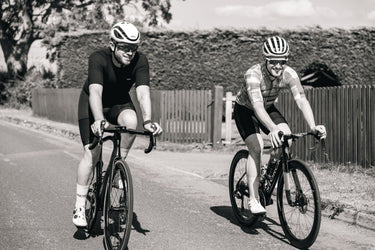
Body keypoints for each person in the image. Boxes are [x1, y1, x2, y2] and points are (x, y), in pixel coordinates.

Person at [73, 21, 162, 227]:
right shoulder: (98, 58)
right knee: (92, 154)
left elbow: (142, 92)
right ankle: (79, 205)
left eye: (133, 48)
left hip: (119, 103)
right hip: (92, 105)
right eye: (124, 47)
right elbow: (95, 91)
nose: (129, 52)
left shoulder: (140, 61)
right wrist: (98, 121)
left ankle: (117, 166)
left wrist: (148, 120)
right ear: (112, 45)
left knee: (132, 121)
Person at [234, 36, 326, 215]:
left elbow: (301, 100)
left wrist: (314, 126)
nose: (278, 65)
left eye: (282, 61)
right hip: (246, 109)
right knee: (257, 147)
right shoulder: (253, 74)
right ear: (265, 60)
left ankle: (267, 177)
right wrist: (273, 129)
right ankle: (253, 199)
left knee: (287, 139)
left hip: (267, 107)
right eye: (273, 61)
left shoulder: (289, 73)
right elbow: (257, 107)